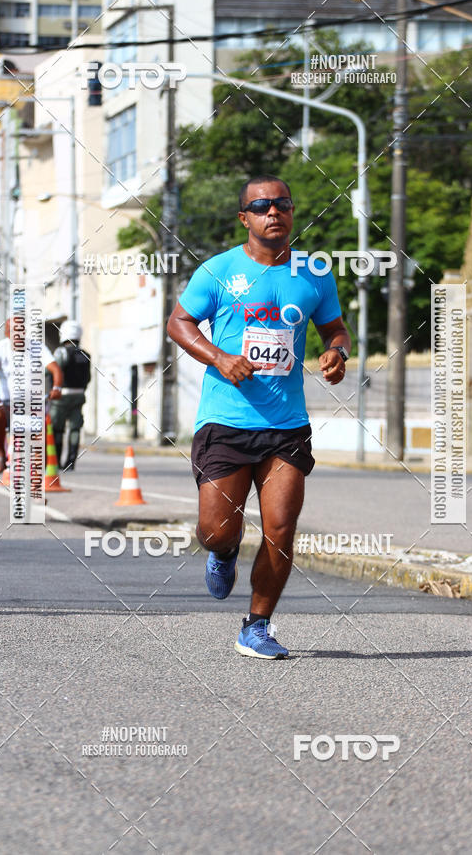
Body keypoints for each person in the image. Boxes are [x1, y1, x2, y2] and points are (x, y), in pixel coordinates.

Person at [167, 175, 350, 659]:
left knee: (281, 528)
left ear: (291, 212)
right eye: (262, 206)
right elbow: (179, 323)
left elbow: (334, 327)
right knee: (217, 529)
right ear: (244, 217)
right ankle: (223, 552)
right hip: (226, 420)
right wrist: (219, 358)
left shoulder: (314, 272)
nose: (274, 212)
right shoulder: (219, 270)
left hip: (286, 425)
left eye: (283, 204)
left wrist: (336, 352)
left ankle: (257, 625)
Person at [0, 319, 63, 473]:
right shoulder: (0, 348)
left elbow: (55, 369)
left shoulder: (37, 347)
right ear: (7, 333)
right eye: (13, 332)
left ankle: (38, 484)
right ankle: (1, 453)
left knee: (41, 448)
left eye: (20, 331)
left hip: (32, 405)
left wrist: (56, 388)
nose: (17, 336)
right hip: (6, 404)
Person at [50, 320, 91, 471]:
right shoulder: (85, 354)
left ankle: (56, 460)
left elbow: (52, 370)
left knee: (58, 428)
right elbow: (88, 378)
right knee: (75, 428)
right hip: (79, 395)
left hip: (62, 396)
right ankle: (71, 461)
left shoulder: (61, 352)